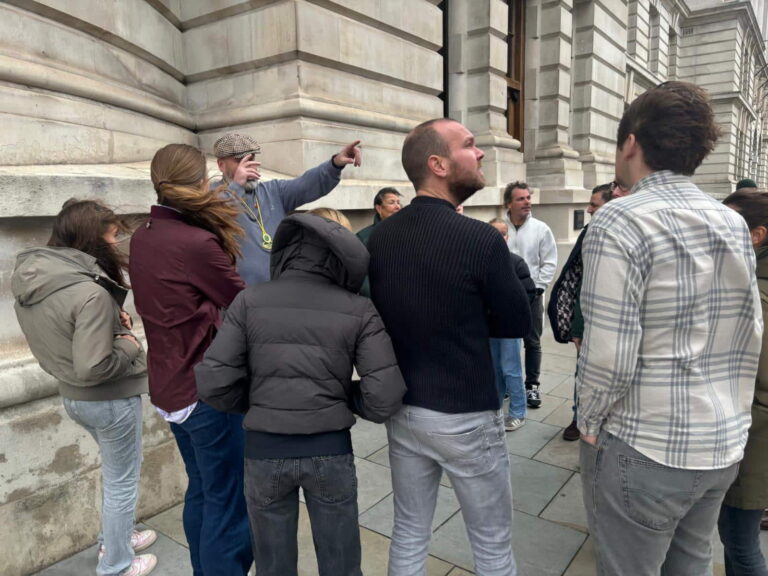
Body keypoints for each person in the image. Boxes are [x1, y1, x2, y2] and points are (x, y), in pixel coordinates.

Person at [577, 81, 762, 576]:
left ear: (631, 142)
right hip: (721, 443)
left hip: (647, 443)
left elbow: (607, 354)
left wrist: (590, 424)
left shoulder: (618, 220)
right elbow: (749, 331)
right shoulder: (728, 221)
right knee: (692, 563)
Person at [195, 210, 406, 576]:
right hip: (329, 450)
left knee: (273, 567)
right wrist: (343, 398)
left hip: (264, 451)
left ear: (289, 248)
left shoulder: (249, 301)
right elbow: (384, 396)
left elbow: (213, 381)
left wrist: (260, 401)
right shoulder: (358, 308)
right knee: (341, 565)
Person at [368, 118, 532, 576]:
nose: (480, 153)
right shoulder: (479, 238)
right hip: (465, 414)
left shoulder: (380, 237)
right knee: (492, 546)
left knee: (409, 532)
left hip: (405, 409)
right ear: (437, 164)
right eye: (470, 145)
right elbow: (517, 321)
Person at [12, 200, 155, 576]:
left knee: (116, 472)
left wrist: (111, 320)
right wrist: (127, 342)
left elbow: (62, 334)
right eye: (112, 235)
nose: (117, 241)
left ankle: (116, 538)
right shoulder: (88, 292)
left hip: (73, 396)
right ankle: (117, 563)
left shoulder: (36, 277)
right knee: (123, 478)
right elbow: (94, 365)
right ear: (92, 240)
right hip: (109, 398)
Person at [129, 144, 251, 576]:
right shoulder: (195, 242)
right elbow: (244, 303)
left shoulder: (144, 234)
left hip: (170, 384)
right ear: (200, 181)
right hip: (206, 391)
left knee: (203, 488)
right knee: (227, 499)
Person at [212, 132, 362, 285]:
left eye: (251, 159)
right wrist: (236, 186)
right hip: (239, 296)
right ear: (221, 165)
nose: (248, 166)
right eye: (239, 161)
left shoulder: (273, 190)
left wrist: (335, 164)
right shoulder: (210, 196)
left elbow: (306, 184)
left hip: (280, 290)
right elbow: (218, 215)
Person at [718, 191, 768, 575]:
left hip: (754, 441)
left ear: (756, 235)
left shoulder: (756, 293)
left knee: (740, 541)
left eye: (728, 223)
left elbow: (754, 377)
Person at [547, 183, 614, 441]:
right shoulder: (590, 234)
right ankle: (579, 419)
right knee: (582, 373)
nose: (588, 209)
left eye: (594, 205)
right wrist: (576, 327)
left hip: (613, 324)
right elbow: (579, 282)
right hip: (588, 322)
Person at [503, 182, 557, 408]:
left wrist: (538, 288)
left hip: (532, 296)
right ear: (509, 203)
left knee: (532, 342)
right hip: (504, 296)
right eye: (521, 199)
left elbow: (550, 262)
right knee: (504, 341)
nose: (527, 202)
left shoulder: (541, 229)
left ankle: (532, 386)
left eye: (528, 198)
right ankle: (506, 384)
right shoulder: (498, 227)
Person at [488, 218, 536, 431]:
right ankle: (495, 409)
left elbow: (528, 293)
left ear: (507, 237)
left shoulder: (515, 262)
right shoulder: (480, 260)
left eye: (502, 233)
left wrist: (510, 312)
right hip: (489, 328)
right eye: (493, 233)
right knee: (494, 370)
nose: (498, 237)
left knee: (511, 369)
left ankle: (518, 412)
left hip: (508, 328)